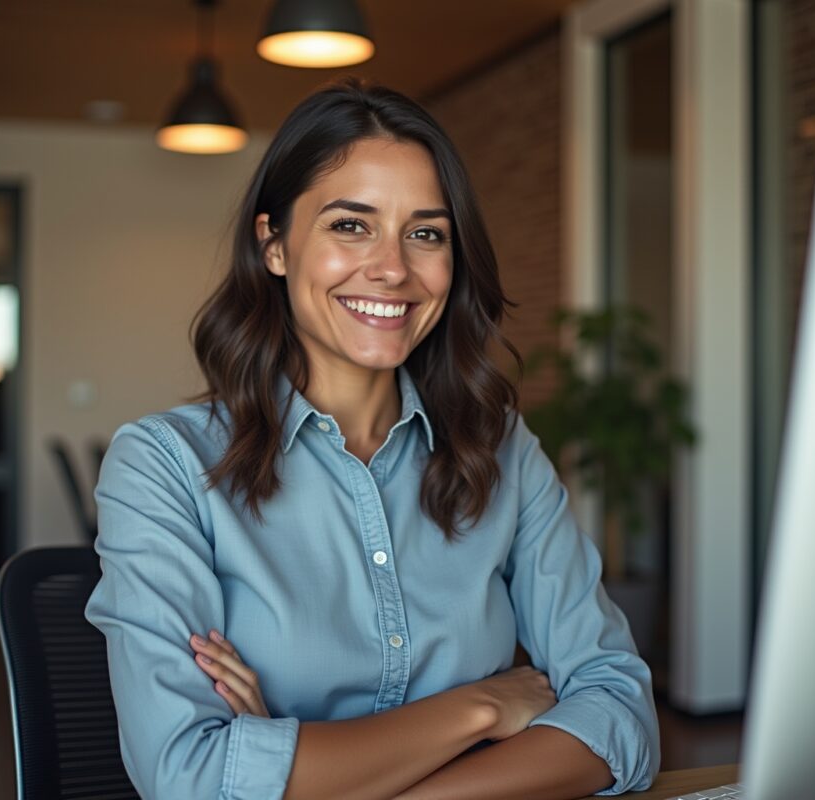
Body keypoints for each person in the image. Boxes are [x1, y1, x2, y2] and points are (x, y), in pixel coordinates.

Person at [85, 79, 659, 800]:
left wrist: (304, 771)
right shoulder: (165, 466)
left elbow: (621, 715)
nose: (393, 267)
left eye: (425, 233)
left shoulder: (502, 448)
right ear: (274, 246)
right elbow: (191, 777)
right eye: (350, 225)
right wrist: (480, 709)